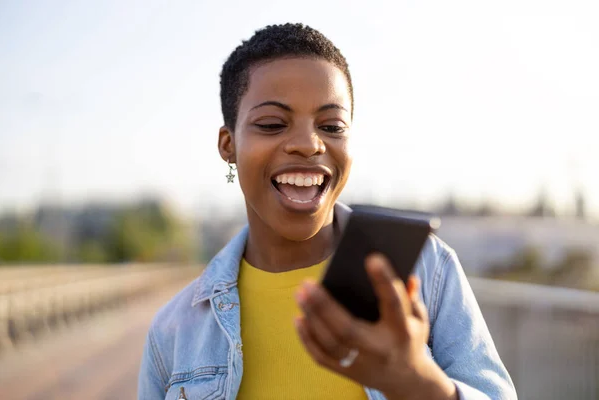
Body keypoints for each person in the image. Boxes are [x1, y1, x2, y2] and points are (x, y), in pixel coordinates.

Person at [138, 23, 517, 400]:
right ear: (228, 144)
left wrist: (419, 384)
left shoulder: (426, 271)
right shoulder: (173, 332)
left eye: (332, 125)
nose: (307, 144)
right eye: (272, 124)